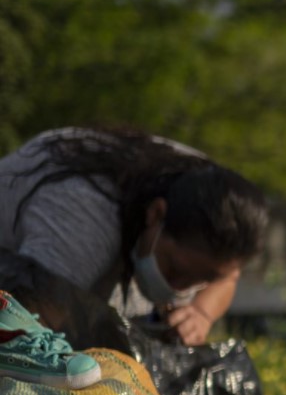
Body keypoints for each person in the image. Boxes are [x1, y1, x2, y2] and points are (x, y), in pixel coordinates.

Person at [0, 127, 268, 345]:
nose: (179, 290)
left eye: (203, 279)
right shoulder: (84, 221)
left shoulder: (213, 197)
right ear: (155, 215)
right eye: (175, 269)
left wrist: (201, 313)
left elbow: (228, 274)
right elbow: (25, 332)